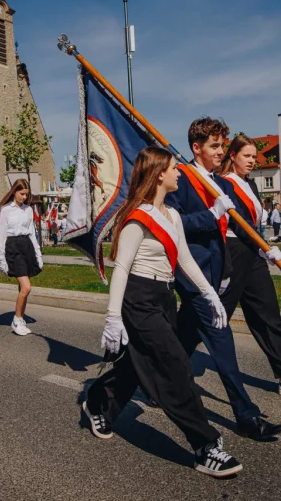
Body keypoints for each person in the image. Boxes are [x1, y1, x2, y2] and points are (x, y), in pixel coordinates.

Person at [82, 147, 243, 478]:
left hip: (164, 297)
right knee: (174, 364)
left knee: (138, 365)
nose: (179, 173)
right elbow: (122, 268)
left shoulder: (170, 215)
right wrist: (113, 317)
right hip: (138, 297)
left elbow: (183, 259)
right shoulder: (136, 217)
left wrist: (208, 293)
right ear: (159, 175)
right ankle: (205, 446)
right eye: (174, 168)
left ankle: (99, 400)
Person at [167, 117, 281, 440]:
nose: (221, 152)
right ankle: (246, 415)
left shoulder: (218, 181)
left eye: (223, 145)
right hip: (193, 273)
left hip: (218, 272)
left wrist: (265, 251)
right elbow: (173, 223)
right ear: (196, 147)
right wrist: (212, 214)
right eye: (215, 146)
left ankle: (148, 381)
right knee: (222, 340)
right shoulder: (182, 178)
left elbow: (238, 225)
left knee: (179, 339)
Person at [218, 135, 281, 398]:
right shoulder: (222, 184)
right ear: (233, 155)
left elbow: (253, 224)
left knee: (267, 316)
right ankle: (166, 376)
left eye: (254, 157)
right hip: (232, 255)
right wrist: (265, 247)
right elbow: (237, 224)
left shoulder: (250, 184)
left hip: (252, 254)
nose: (252, 161)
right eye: (247, 156)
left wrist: (265, 247)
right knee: (208, 322)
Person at [0, 179, 44, 336]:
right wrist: (1, 259)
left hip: (27, 246)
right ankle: (16, 320)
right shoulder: (5, 210)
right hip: (13, 247)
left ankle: (21, 317)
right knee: (26, 287)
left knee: (22, 287)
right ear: (14, 192)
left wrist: (38, 253)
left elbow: (32, 232)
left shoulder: (28, 210)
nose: (24, 197)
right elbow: (2, 235)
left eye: (26, 194)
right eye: (21, 194)